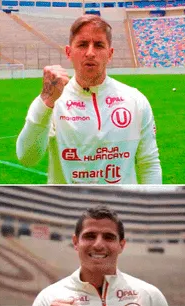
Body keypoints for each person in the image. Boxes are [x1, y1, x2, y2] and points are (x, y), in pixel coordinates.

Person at [14, 205, 180, 306]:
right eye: (90, 236)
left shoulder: (150, 296)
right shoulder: (50, 298)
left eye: (108, 237)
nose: (98, 245)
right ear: (75, 242)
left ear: (121, 245)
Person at [17, 15, 161, 184]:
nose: (90, 53)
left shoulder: (135, 100)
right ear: (69, 52)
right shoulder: (53, 102)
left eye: (99, 45)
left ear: (110, 53)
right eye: (82, 44)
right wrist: (46, 101)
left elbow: (149, 163)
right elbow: (27, 158)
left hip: (122, 204)